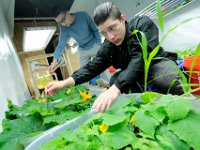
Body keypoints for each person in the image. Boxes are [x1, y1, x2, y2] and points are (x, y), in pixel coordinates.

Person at [45, 2, 184, 113]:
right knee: (113, 80)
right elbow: (93, 67)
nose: (110, 37)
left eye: (112, 28)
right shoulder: (109, 45)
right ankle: (140, 111)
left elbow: (140, 58)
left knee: (168, 79)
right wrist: (64, 83)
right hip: (132, 74)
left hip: (154, 65)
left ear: (122, 19)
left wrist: (116, 88)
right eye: (104, 33)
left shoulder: (142, 25)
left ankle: (189, 105)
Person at [48, 5, 110, 84]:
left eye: (63, 19)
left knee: (102, 65)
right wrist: (54, 62)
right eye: (60, 23)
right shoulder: (63, 28)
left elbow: (95, 30)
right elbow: (60, 45)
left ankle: (109, 85)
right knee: (82, 72)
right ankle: (85, 90)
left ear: (68, 13)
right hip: (82, 49)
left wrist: (99, 44)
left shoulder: (83, 15)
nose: (63, 24)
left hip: (94, 44)